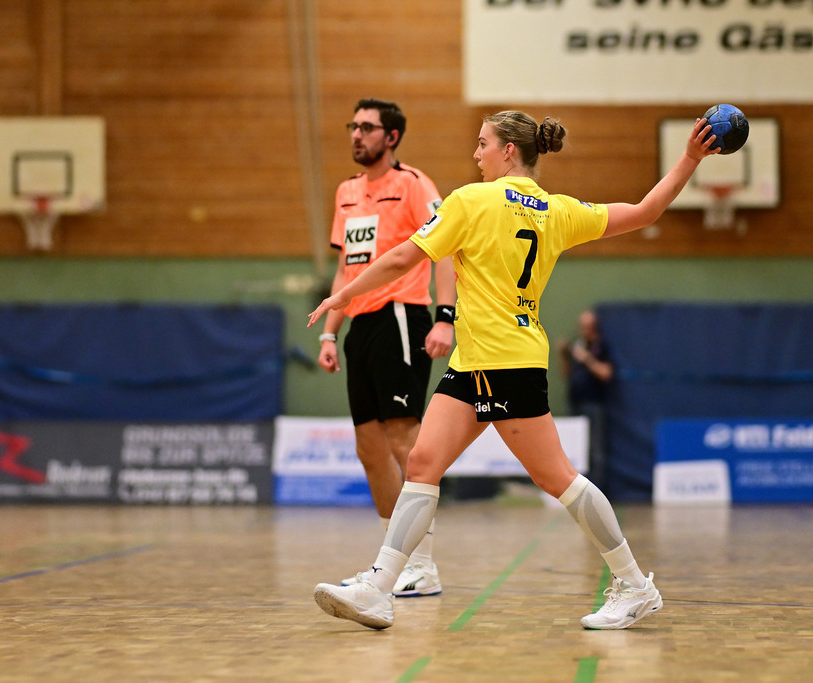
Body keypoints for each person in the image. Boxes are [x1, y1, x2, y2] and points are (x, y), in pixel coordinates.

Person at [307, 110, 720, 630]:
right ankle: (379, 588)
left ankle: (634, 584)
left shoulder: (471, 200)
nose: (475, 154)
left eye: (482, 144)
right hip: (473, 364)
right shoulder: (556, 210)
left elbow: (401, 259)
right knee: (422, 463)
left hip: (506, 364)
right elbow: (644, 211)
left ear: (508, 151)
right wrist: (690, 159)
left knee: (559, 479)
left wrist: (342, 294)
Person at [317, 98, 456, 595]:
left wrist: (445, 316)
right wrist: (332, 330)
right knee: (369, 448)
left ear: (391, 137)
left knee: (404, 438)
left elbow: (443, 251)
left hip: (403, 315)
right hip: (361, 326)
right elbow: (346, 270)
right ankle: (390, 566)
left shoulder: (414, 185)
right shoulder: (346, 192)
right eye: (352, 125)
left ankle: (422, 564)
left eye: (368, 128)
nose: (356, 134)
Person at [559, 309, 614, 488]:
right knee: (574, 449)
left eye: (587, 327)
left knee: (595, 450)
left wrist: (588, 359)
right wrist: (564, 355)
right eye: (581, 327)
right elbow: (567, 374)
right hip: (576, 403)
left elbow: (606, 373)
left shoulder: (602, 346)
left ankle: (597, 490)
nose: (583, 330)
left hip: (594, 405)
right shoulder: (579, 345)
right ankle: (575, 489)